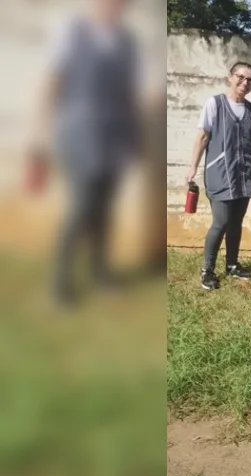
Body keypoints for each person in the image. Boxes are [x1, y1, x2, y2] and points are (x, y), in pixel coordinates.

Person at [39, 0, 142, 302]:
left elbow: (128, 93)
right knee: (81, 208)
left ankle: (99, 272)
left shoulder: (126, 41)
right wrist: (41, 134)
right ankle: (60, 282)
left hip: (115, 136)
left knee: (105, 210)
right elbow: (51, 82)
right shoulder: (72, 32)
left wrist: (134, 139)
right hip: (79, 133)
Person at [186, 61, 251, 290]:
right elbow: (202, 137)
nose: (245, 82)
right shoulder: (215, 104)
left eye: (250, 80)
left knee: (236, 222)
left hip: (244, 173)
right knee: (221, 222)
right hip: (220, 172)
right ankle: (207, 270)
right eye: (241, 77)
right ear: (230, 77)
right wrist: (193, 167)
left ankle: (232, 265)